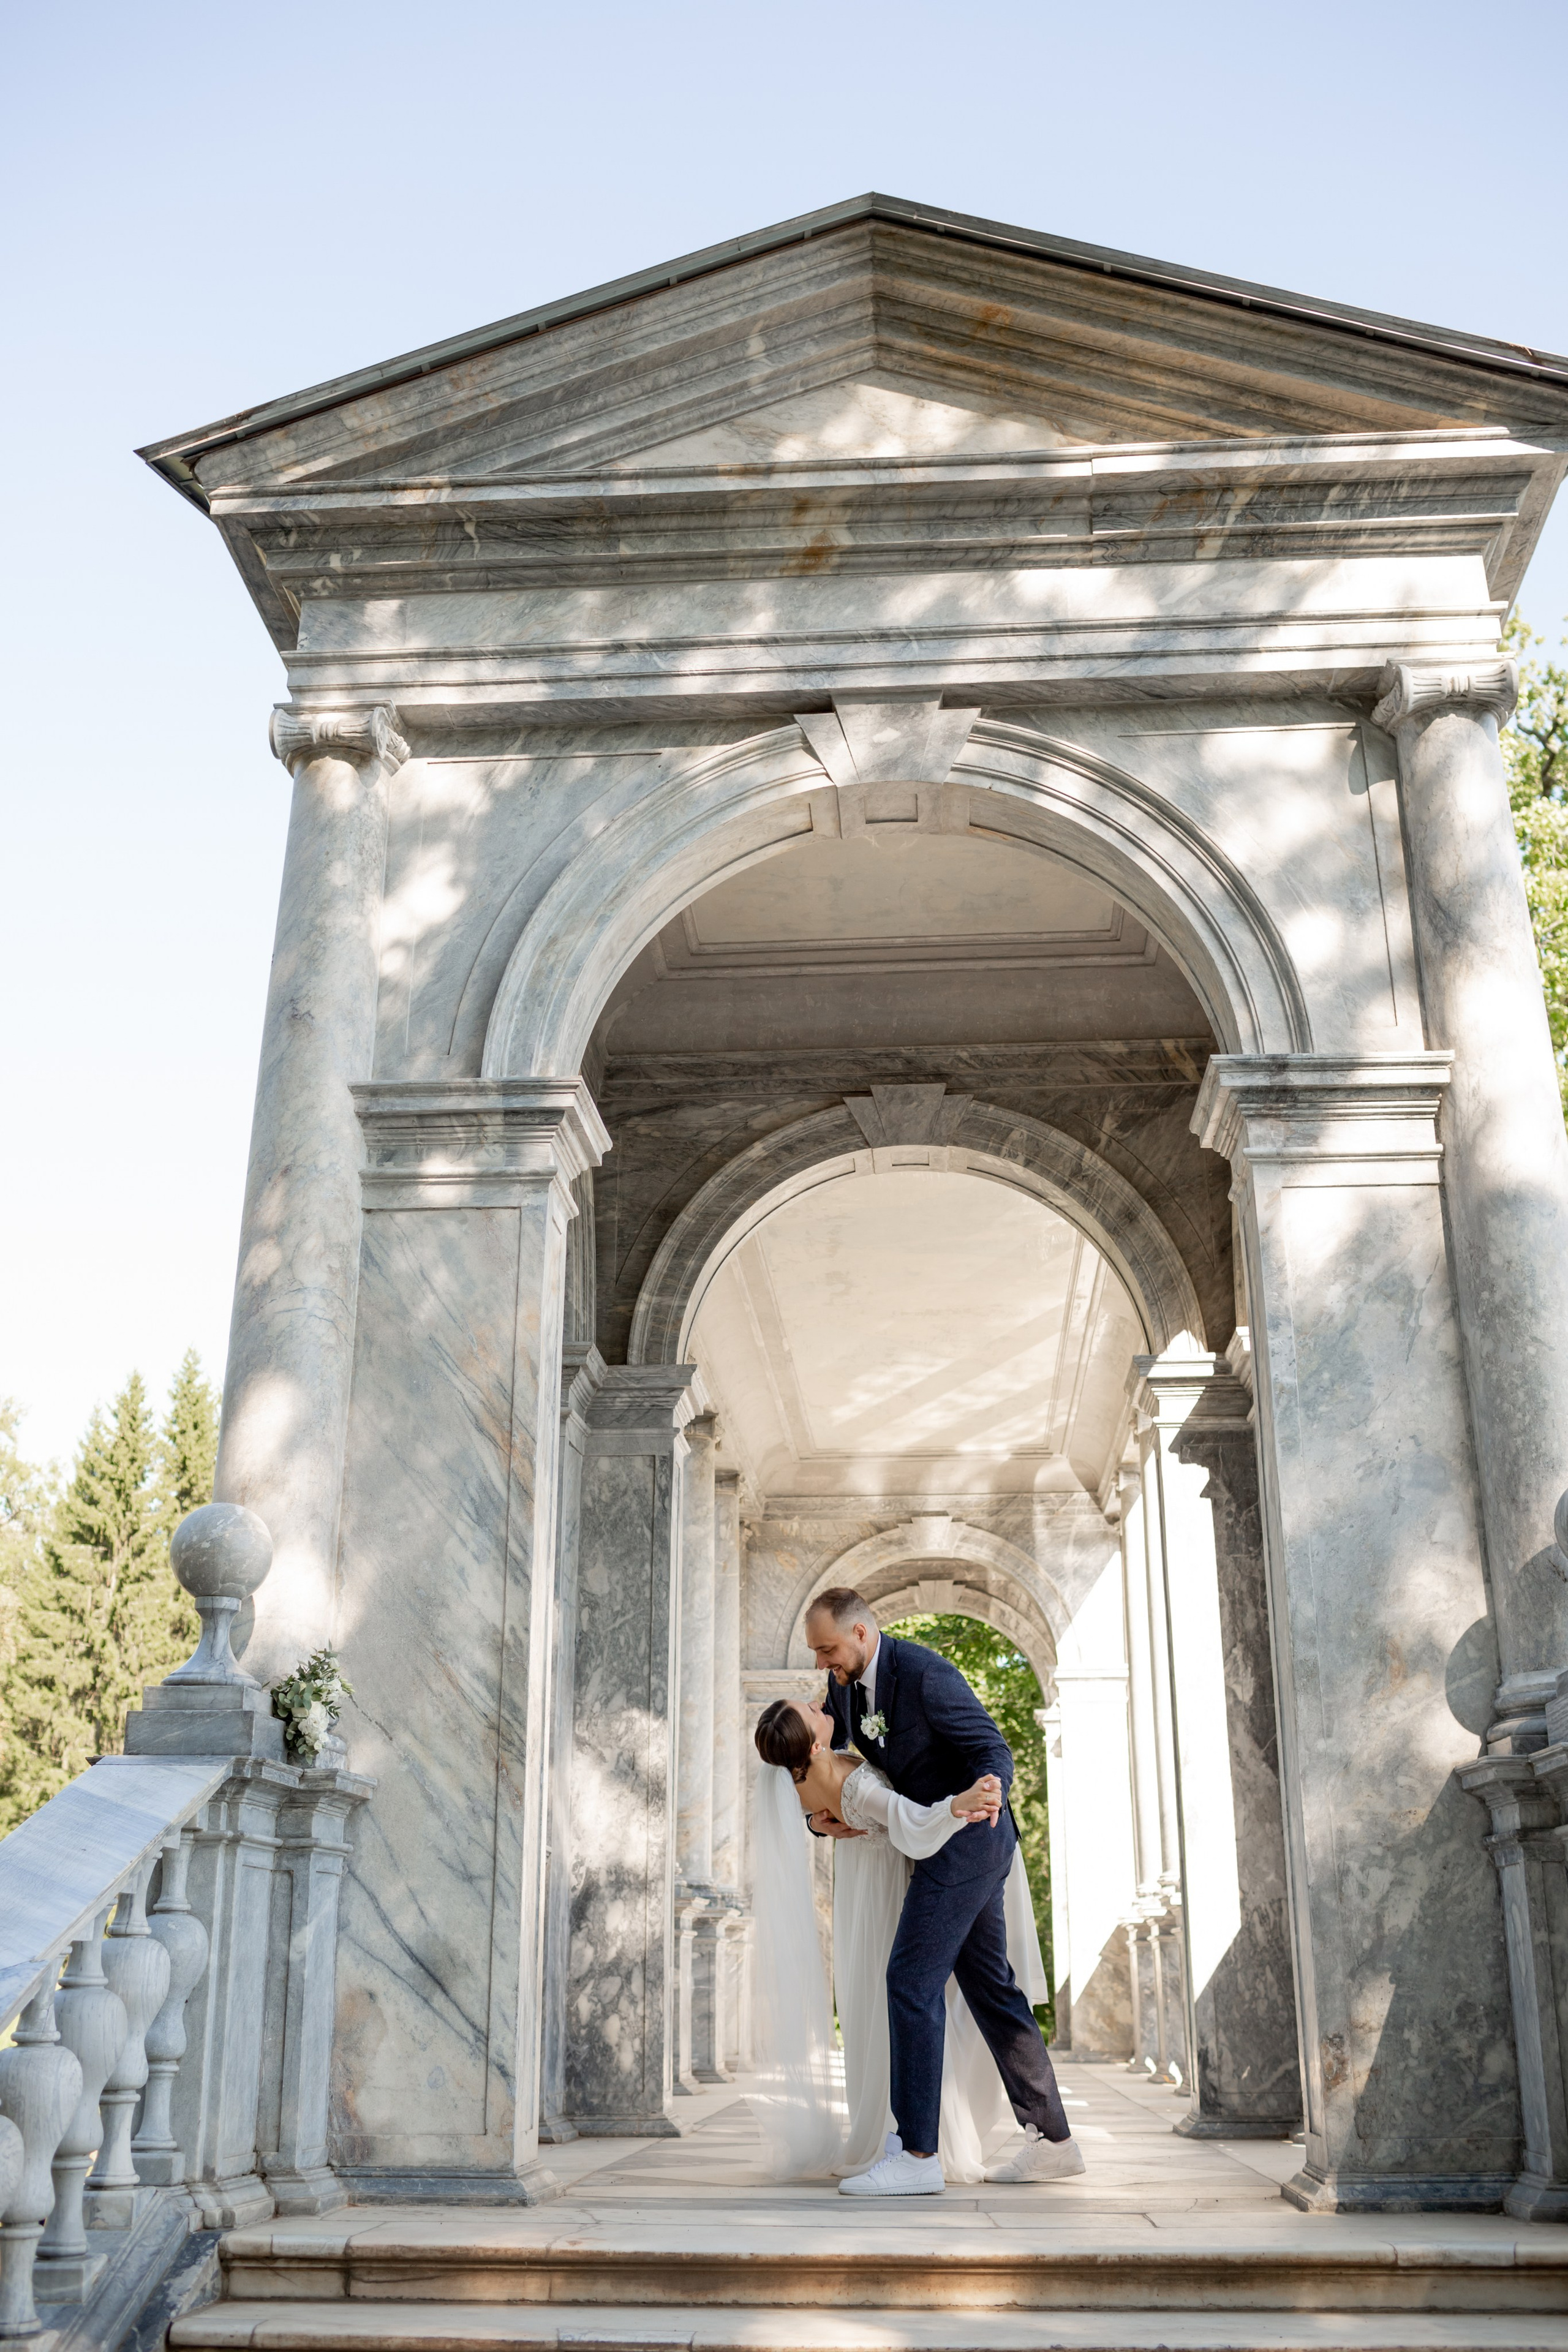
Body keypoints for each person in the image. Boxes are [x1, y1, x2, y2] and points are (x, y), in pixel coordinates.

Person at [748, 1589, 1085, 2196]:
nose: (822, 1663)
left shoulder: (927, 1675)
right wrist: (816, 1820)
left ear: (858, 1633)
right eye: (816, 1653)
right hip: (929, 1840)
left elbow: (991, 1748)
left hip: (966, 1840)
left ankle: (918, 2154)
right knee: (991, 1990)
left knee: (909, 1981)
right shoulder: (844, 1688)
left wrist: (989, 1789)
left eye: (827, 1649)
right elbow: (812, 1763)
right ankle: (1054, 2141)